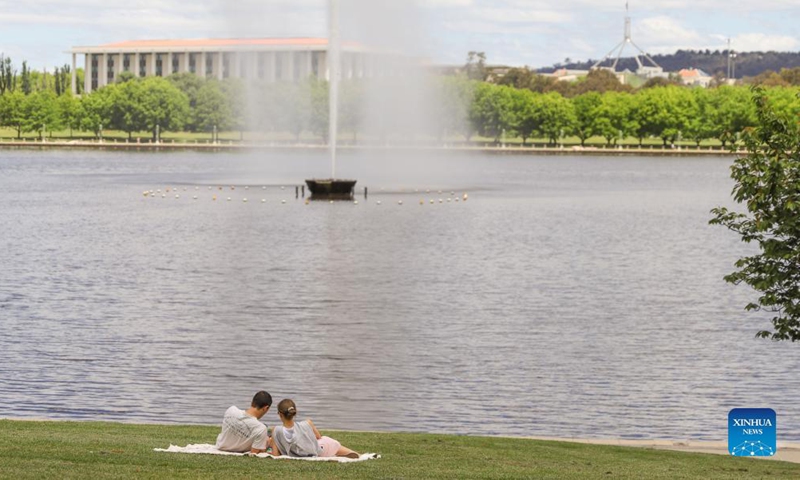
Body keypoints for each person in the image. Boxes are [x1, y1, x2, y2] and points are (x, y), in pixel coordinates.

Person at [269, 398, 359, 459]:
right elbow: (318, 437)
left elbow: (275, 455)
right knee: (326, 440)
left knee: (325, 443)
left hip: (295, 453)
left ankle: (347, 454)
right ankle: (355, 454)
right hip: (315, 451)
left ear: (280, 414)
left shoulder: (276, 430)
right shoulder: (307, 423)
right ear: (294, 413)